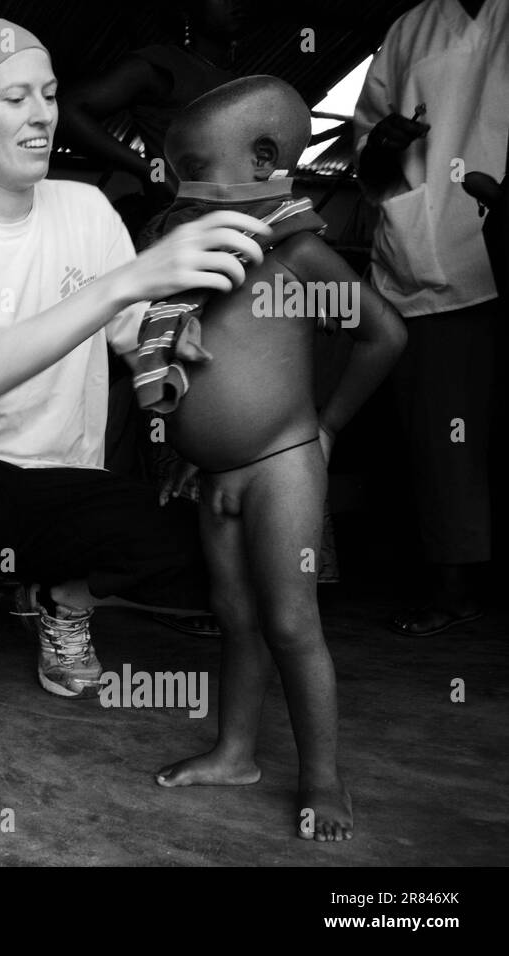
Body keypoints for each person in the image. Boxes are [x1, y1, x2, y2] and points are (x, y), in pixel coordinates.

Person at [0, 11, 276, 762]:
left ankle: (64, 601)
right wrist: (132, 278)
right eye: (15, 97)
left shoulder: (85, 210)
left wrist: (182, 352)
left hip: (68, 487)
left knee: (204, 522)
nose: (43, 114)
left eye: (49, 94)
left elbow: (138, 339)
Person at [143, 77, 406, 842]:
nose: (176, 185)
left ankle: (324, 779)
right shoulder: (190, 257)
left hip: (283, 466)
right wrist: (193, 443)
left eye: (193, 166)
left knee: (292, 624)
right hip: (215, 476)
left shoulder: (297, 257)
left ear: (264, 161)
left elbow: (383, 336)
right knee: (234, 619)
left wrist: (324, 429)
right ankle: (235, 753)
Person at [353, 0, 508, 637]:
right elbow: (368, 158)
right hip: (431, 257)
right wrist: (385, 149)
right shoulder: (409, 27)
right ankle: (453, 586)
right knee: (445, 442)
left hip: (492, 240)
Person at [58, 0, 240, 240]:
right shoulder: (163, 67)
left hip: (233, 231)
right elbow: (66, 113)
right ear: (189, 8)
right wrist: (149, 171)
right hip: (178, 234)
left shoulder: (246, 80)